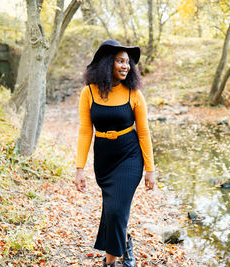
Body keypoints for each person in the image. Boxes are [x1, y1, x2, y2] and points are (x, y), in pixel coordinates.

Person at [75, 40, 156, 267]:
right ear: (106, 63)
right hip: (104, 159)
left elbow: (144, 132)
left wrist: (150, 168)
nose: (126, 66)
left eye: (127, 62)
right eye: (120, 61)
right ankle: (125, 242)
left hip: (130, 156)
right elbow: (84, 132)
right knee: (112, 210)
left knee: (117, 209)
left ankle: (109, 262)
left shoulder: (134, 94)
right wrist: (79, 168)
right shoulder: (88, 93)